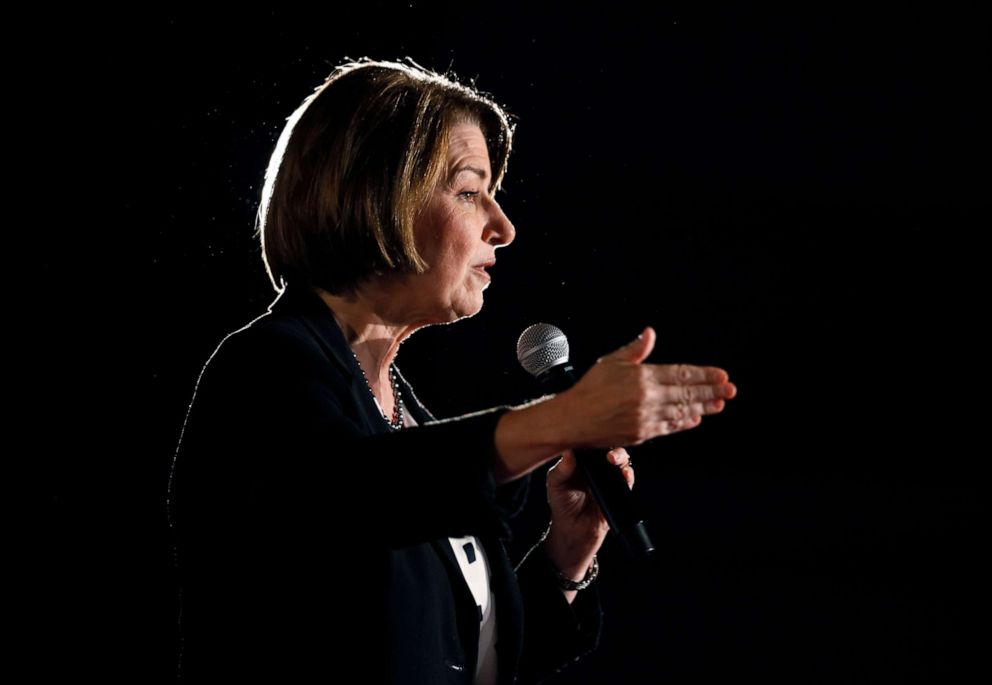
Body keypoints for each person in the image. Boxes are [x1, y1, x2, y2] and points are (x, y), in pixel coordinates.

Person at [167, 57, 737, 683]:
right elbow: (353, 496)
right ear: (375, 193)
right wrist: (555, 421)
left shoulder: (407, 419)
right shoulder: (265, 372)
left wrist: (565, 555)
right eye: (469, 191)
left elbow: (456, 655)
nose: (504, 226)